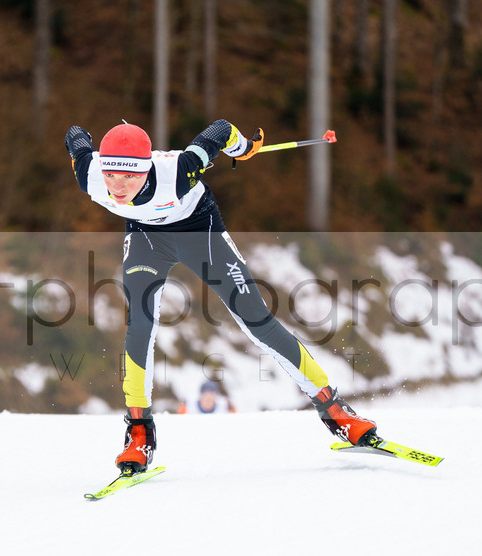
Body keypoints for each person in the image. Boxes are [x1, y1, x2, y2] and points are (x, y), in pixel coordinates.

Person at [65, 119, 378, 474]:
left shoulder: (179, 172)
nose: (118, 187)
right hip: (146, 239)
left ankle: (336, 412)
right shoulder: (89, 174)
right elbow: (74, 136)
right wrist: (82, 137)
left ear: (147, 168)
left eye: (129, 177)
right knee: (140, 325)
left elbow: (219, 129)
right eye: (111, 175)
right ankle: (139, 433)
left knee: (257, 321)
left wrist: (242, 148)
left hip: (199, 230)